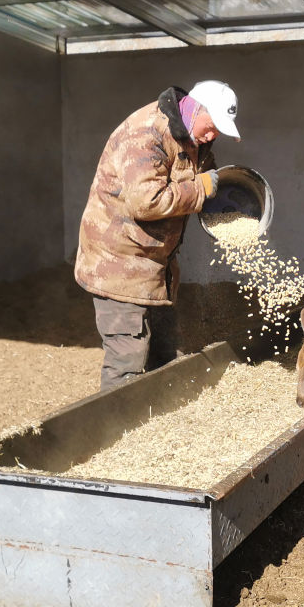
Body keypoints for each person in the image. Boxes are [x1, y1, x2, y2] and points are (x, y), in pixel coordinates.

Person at [74, 80, 241, 391]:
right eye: (214, 125)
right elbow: (146, 201)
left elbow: (205, 179)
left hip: (156, 266)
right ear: (197, 109)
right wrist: (201, 189)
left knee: (164, 354)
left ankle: (157, 421)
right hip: (119, 265)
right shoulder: (145, 134)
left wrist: (225, 196)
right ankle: (117, 433)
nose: (214, 134)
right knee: (126, 362)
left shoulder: (195, 135)